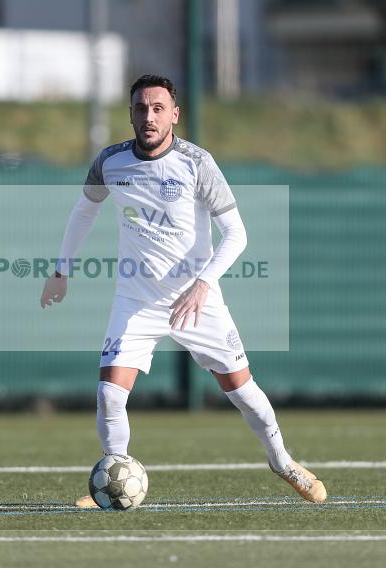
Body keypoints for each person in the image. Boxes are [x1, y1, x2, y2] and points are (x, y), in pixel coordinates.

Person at [41, 74, 326, 506]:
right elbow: (84, 211)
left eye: (158, 108)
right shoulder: (110, 162)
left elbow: (237, 234)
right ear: (131, 114)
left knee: (243, 391)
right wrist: (61, 269)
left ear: (174, 114)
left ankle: (283, 461)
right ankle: (113, 476)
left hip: (197, 301)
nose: (149, 116)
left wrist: (203, 284)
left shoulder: (196, 163)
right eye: (141, 108)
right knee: (108, 394)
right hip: (136, 300)